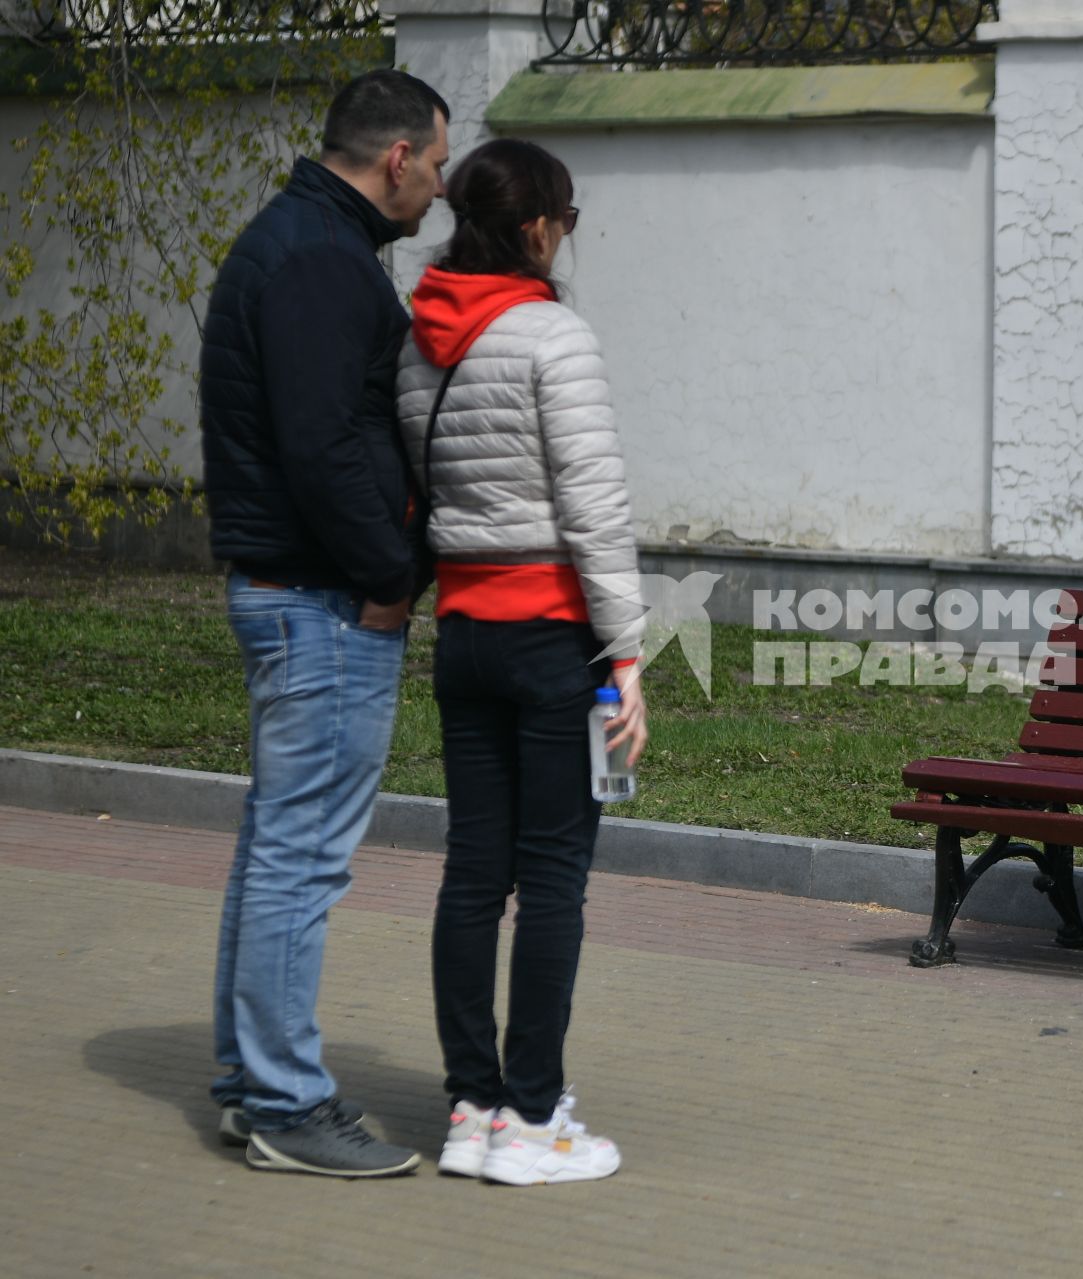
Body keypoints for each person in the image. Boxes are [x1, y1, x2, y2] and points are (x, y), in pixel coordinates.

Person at [200, 69, 450, 1178]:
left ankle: (251, 1087)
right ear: (397, 157)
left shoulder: (306, 242)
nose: (440, 189)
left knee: (276, 854)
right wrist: (392, 573)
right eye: (437, 164)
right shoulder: (317, 259)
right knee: (301, 862)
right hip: (322, 603)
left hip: (299, 593)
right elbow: (322, 447)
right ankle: (288, 1105)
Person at [397, 138, 647, 1186]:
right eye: (567, 219)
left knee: (472, 873)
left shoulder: (419, 343)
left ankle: (472, 1108)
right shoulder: (554, 334)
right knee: (552, 880)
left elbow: (427, 485)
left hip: (463, 634)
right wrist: (628, 650)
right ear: (540, 226)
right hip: (552, 638)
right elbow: (593, 506)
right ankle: (534, 1120)